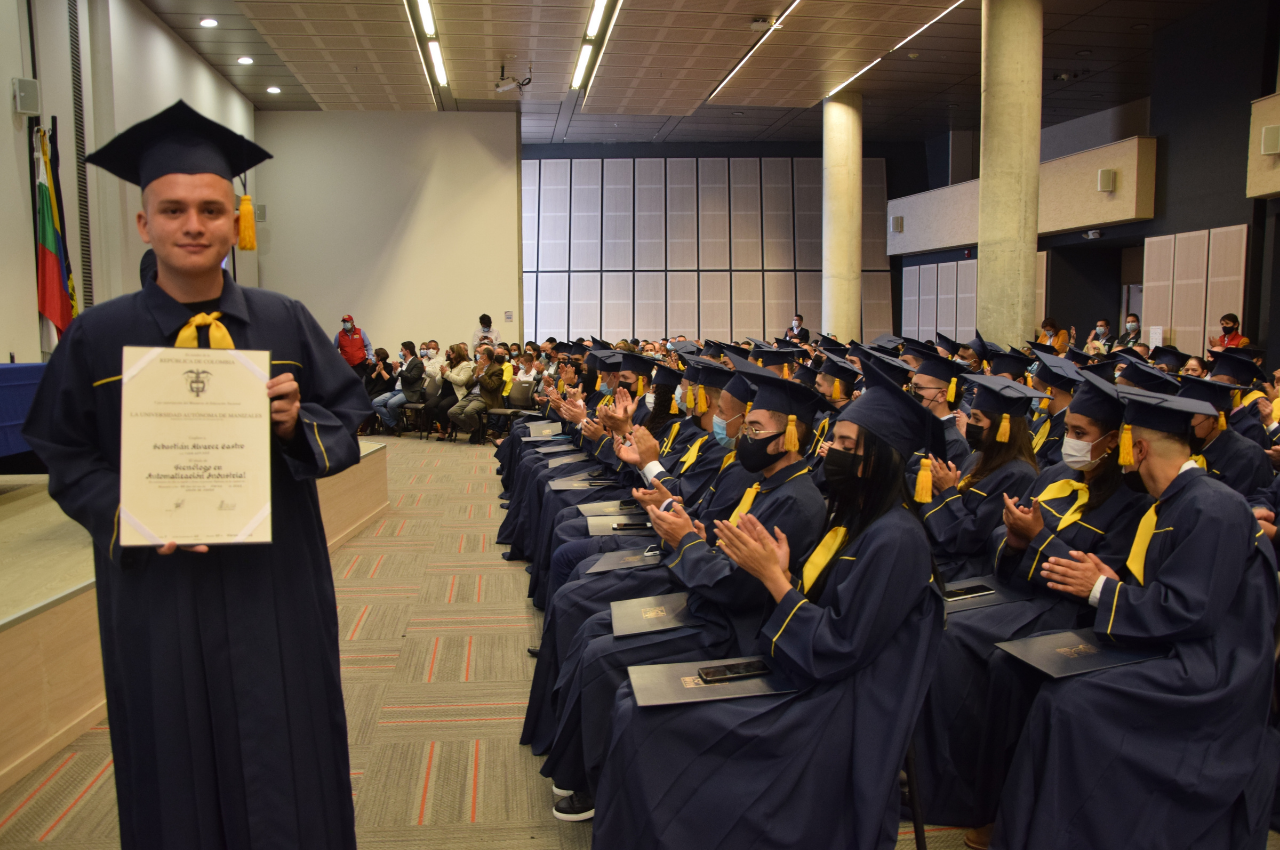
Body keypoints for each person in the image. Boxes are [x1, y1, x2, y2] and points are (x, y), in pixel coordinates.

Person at [22, 101, 368, 849]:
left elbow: (347, 415)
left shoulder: (283, 321)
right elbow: (63, 450)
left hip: (272, 580)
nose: (193, 224)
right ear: (142, 223)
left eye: (211, 208)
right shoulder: (98, 336)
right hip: (158, 585)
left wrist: (292, 424)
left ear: (233, 220)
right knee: (168, 741)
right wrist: (130, 509)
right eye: (172, 209)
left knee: (288, 736)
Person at [589, 359, 946, 848]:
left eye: (845, 445)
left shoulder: (898, 539)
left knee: (645, 717)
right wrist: (780, 574)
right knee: (634, 698)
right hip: (802, 666)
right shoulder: (857, 520)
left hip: (836, 707)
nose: (828, 452)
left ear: (879, 459)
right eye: (832, 439)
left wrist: (775, 581)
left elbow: (838, 649)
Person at [989, 386, 1279, 850]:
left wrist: (1102, 589)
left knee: (1070, 704)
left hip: (1208, 669)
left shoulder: (1213, 507)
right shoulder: (1179, 500)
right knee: (1027, 672)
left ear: (1137, 448)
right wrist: (1113, 585)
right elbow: (1169, 592)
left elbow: (1191, 612)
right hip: (1171, 642)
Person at [922, 375, 1043, 583]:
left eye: (977, 419)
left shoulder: (1020, 474)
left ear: (1002, 426)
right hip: (945, 553)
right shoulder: (977, 458)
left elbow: (974, 538)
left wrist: (948, 492)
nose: (970, 425)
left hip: (971, 568)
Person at [450, 345, 502, 443]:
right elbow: (467, 385)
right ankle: (477, 428)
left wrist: (482, 374)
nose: (477, 355)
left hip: (484, 398)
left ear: (484, 356)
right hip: (470, 395)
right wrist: (475, 376)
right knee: (452, 412)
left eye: (479, 353)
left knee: (469, 411)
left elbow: (491, 386)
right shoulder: (475, 368)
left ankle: (477, 429)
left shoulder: (497, 369)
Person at [372, 341, 424, 437]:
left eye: (402, 350)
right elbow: (393, 379)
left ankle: (392, 426)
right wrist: (395, 371)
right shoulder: (401, 363)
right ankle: (394, 424)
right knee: (376, 402)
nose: (400, 352)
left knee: (391, 404)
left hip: (408, 392)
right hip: (396, 391)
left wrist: (399, 370)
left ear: (407, 351)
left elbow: (411, 378)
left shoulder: (417, 363)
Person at [334, 313, 373, 378]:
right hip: (346, 366)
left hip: (360, 364)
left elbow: (368, 346)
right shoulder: (339, 335)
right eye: (344, 322)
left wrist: (370, 358)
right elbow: (333, 349)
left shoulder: (360, 332)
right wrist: (338, 361)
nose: (345, 323)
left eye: (347, 322)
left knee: (361, 383)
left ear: (352, 322)